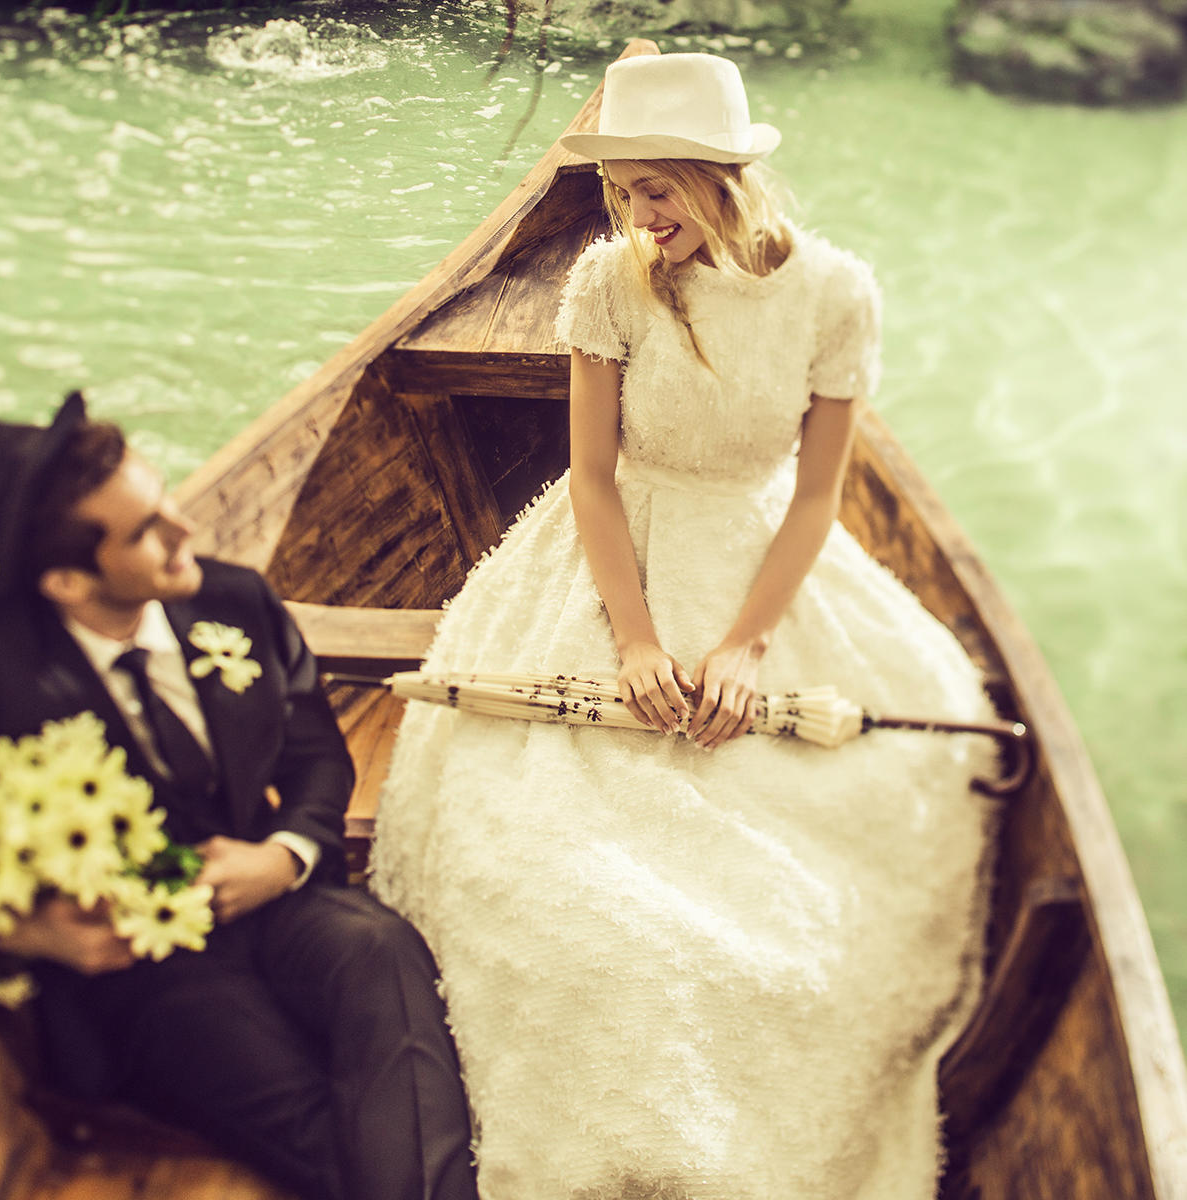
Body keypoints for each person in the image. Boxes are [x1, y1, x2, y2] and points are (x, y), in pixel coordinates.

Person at [369, 52, 996, 1200]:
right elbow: (591, 477)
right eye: (621, 193)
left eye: (656, 190)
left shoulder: (833, 293)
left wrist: (746, 643)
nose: (635, 218)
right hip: (615, 556)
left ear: (721, 177)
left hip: (766, 560)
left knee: (839, 849)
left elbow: (816, 496)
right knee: (539, 860)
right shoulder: (607, 285)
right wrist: (638, 641)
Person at [0, 392, 479, 1200]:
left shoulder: (233, 600)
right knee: (315, 1114)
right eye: (147, 529)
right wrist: (22, 931)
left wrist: (282, 857)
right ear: (67, 580)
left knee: (379, 951)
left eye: (164, 499)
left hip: (273, 896)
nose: (184, 530)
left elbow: (316, 755)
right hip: (144, 971)